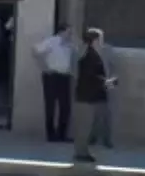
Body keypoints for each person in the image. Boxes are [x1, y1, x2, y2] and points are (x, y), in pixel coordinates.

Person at [72, 28, 111, 163]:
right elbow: (91, 76)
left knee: (88, 126)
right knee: (84, 126)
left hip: (90, 96)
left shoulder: (93, 55)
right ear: (94, 40)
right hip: (86, 96)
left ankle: (83, 151)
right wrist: (105, 82)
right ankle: (81, 153)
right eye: (100, 39)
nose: (102, 42)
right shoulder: (89, 56)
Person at [34, 24, 74, 143]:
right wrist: (44, 67)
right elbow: (35, 51)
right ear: (61, 32)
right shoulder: (51, 41)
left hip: (65, 76)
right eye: (68, 32)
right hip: (52, 75)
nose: (70, 35)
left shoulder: (69, 45)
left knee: (65, 106)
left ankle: (62, 134)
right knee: (50, 105)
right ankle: (51, 134)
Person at [87, 28, 115, 149]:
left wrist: (111, 82)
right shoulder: (86, 51)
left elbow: (113, 67)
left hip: (105, 84)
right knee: (91, 113)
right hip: (91, 84)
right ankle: (91, 137)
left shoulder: (107, 50)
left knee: (106, 113)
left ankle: (106, 138)